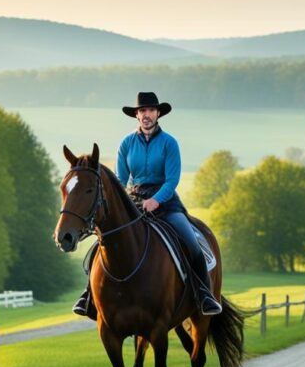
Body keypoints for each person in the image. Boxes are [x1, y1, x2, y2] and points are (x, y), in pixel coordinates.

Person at [73, 91, 223, 318]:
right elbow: (121, 180)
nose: (146, 115)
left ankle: (204, 295)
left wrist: (156, 200)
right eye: (142, 111)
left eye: (151, 110)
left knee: (191, 243)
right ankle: (88, 296)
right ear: (136, 115)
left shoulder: (169, 143)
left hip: (166, 203)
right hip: (134, 201)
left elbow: (172, 180)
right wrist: (124, 202)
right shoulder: (126, 143)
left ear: (158, 113)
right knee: (102, 243)